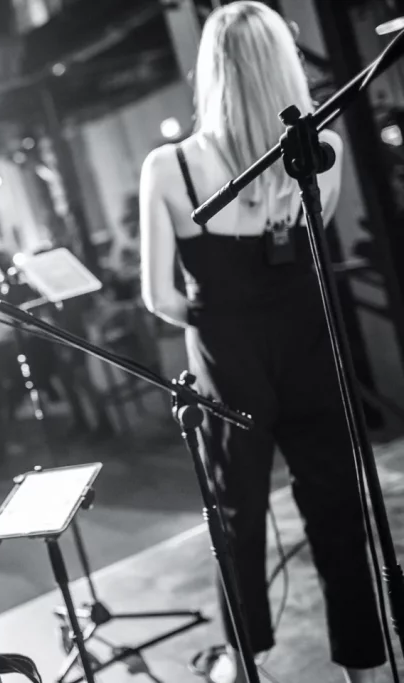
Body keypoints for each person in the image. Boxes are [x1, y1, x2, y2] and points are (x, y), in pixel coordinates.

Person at [139, 4, 383, 683]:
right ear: (285, 65)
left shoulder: (170, 167)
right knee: (337, 507)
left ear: (209, 71)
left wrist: (221, 315)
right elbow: (311, 240)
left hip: (228, 361)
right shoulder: (320, 153)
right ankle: (364, 666)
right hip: (311, 347)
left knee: (236, 515)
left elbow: (158, 294)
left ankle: (248, 663)